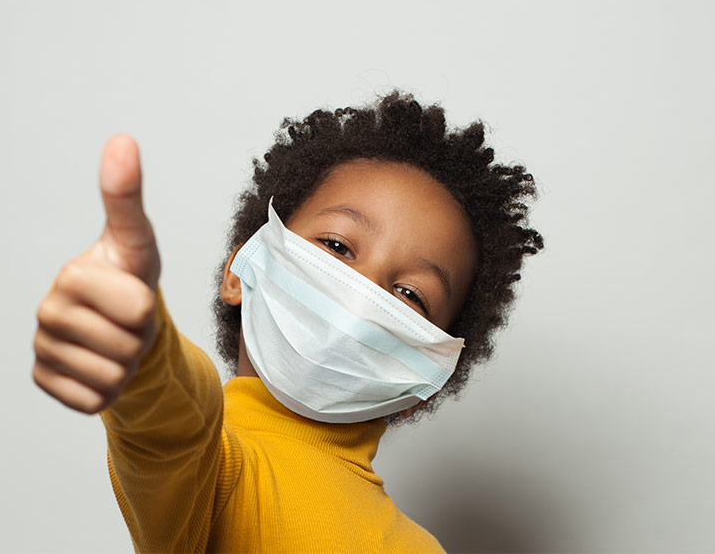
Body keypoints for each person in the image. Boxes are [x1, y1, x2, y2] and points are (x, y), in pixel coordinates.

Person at [32, 91, 543, 552]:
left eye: (410, 294)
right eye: (337, 246)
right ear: (241, 269)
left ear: (429, 376)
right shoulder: (217, 468)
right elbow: (171, 431)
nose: (361, 298)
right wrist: (145, 353)